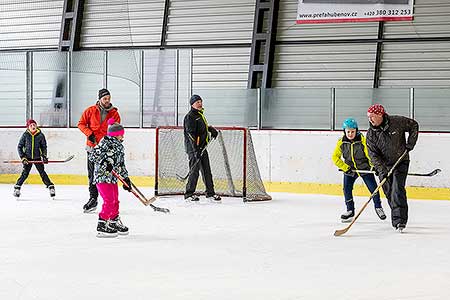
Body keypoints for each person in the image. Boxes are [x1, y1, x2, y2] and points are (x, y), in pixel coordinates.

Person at [366, 104, 419, 232]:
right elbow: (373, 155)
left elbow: (414, 125)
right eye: (368, 117)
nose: (370, 120)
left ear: (381, 115)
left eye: (373, 117)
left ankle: (400, 221)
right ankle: (397, 215)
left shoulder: (397, 122)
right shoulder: (371, 135)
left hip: (401, 160)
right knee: (389, 191)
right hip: (384, 165)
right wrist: (381, 170)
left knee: (397, 189)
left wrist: (410, 143)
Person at [332, 118, 386, 222]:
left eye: (352, 131)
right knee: (347, 189)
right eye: (348, 132)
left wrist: (373, 166)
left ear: (356, 131)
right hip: (350, 169)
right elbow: (335, 157)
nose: (350, 134)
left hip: (364, 168)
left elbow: (369, 155)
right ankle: (350, 210)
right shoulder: (341, 142)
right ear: (344, 131)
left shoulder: (362, 141)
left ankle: (378, 207)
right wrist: (345, 168)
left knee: (373, 188)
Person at [78, 88, 121, 213]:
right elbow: (81, 123)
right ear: (100, 99)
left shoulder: (114, 113)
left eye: (109, 98)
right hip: (92, 148)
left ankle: (110, 200)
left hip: (106, 150)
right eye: (105, 98)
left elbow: (116, 131)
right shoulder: (90, 111)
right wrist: (89, 133)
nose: (107, 101)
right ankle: (93, 198)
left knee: (107, 174)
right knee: (93, 174)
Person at [89, 118, 131, 238]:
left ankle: (113, 221)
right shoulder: (105, 142)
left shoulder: (120, 147)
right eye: (121, 134)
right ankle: (102, 224)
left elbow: (121, 164)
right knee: (109, 201)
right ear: (116, 134)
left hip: (112, 178)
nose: (123, 136)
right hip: (102, 177)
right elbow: (93, 156)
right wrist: (104, 163)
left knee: (115, 200)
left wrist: (126, 179)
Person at [183, 94, 221, 202]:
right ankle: (189, 194)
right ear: (192, 104)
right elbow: (191, 134)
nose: (200, 104)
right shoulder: (190, 116)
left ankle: (210, 193)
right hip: (193, 149)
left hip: (202, 148)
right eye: (197, 102)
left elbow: (201, 128)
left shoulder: (200, 115)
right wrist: (195, 150)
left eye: (200, 101)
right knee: (194, 171)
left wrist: (210, 129)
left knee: (206, 171)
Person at [14, 119, 55, 198]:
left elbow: (44, 147)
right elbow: (19, 147)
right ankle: (17, 188)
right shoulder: (25, 135)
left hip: (37, 158)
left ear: (36, 126)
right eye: (31, 125)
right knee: (25, 174)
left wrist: (44, 156)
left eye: (34, 125)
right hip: (27, 158)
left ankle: (51, 187)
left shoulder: (40, 135)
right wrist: (23, 157)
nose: (33, 126)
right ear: (28, 127)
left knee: (42, 173)